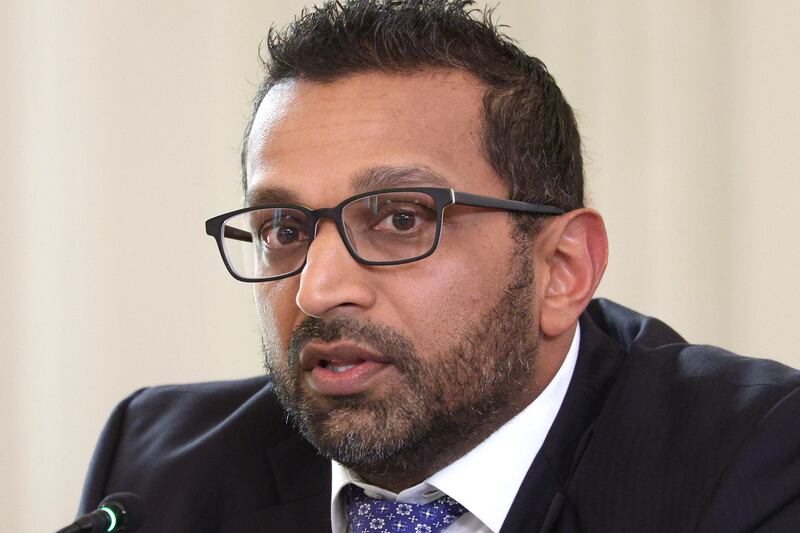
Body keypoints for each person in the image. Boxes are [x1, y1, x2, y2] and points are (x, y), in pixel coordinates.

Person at [77, 1, 800, 532]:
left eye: (400, 219)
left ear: (563, 270)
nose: (318, 289)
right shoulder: (157, 469)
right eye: (285, 230)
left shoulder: (756, 460)